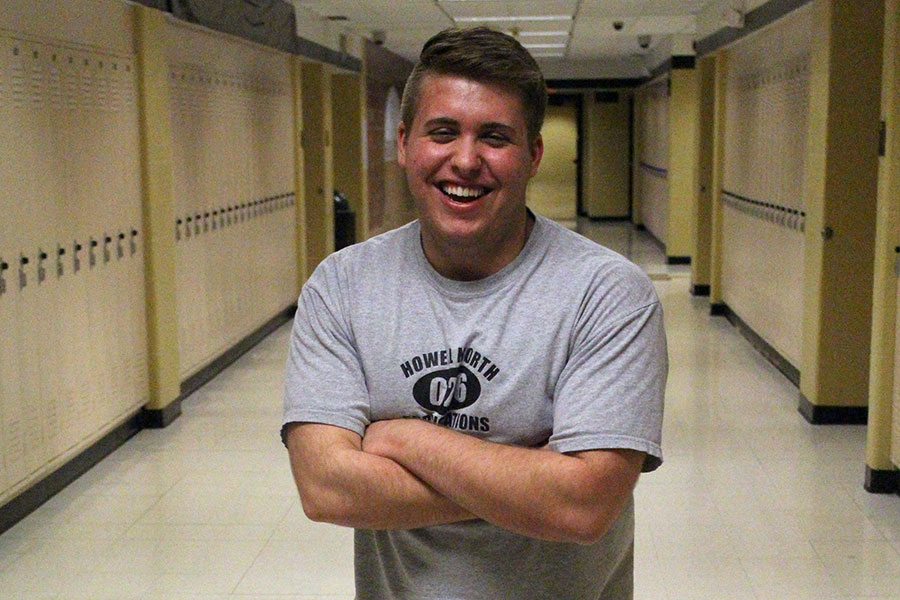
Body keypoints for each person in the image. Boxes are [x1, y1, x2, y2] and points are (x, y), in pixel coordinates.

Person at [281, 26, 667, 600]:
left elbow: (584, 507)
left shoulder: (607, 294)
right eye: (442, 132)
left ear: (533, 154)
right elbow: (326, 489)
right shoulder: (341, 287)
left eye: (495, 137)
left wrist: (407, 440)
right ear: (404, 143)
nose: (465, 160)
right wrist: (529, 479)